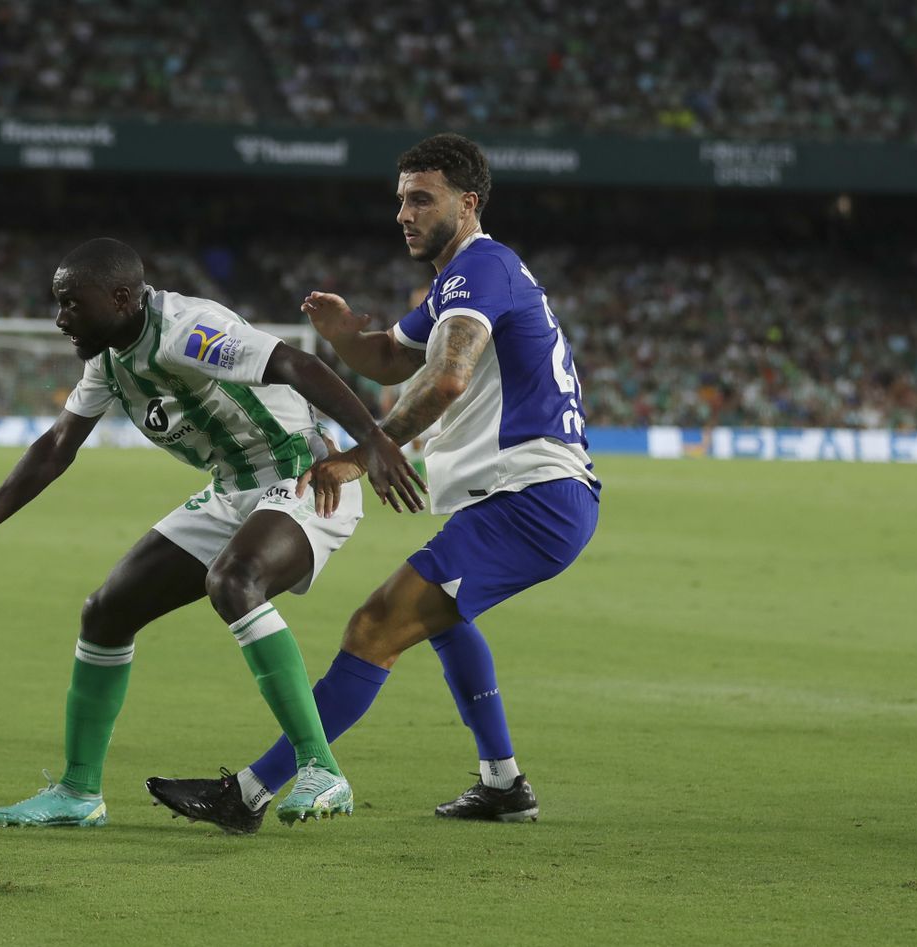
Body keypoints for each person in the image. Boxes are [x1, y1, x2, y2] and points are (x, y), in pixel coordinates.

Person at [147, 133, 600, 831]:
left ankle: (248, 793)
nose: (404, 214)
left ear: (468, 203)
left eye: (422, 199)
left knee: (373, 627)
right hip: (530, 497)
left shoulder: (479, 270)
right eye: (401, 201)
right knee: (446, 624)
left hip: (531, 497)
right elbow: (393, 359)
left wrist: (363, 454)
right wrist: (344, 337)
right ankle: (503, 784)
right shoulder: (466, 276)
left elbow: (448, 377)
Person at [0, 237, 424, 827]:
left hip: (304, 475)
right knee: (105, 613)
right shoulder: (107, 359)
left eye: (73, 304)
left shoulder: (186, 330)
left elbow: (296, 364)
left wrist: (375, 444)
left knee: (234, 581)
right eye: (59, 303)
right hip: (233, 488)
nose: (60, 318)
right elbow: (57, 446)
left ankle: (321, 769)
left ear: (123, 298)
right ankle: (79, 794)